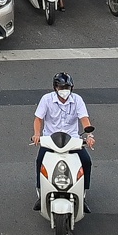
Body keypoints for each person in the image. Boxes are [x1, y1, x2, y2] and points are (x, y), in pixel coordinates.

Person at [30, 72, 96, 203]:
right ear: (55, 88)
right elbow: (38, 119)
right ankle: (40, 192)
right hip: (50, 140)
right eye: (61, 88)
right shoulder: (46, 99)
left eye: (67, 87)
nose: (64, 91)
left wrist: (89, 135)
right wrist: (37, 134)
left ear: (72, 88)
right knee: (40, 161)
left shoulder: (77, 100)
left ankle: (83, 192)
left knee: (86, 161)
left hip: (72, 140)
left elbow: (84, 119)